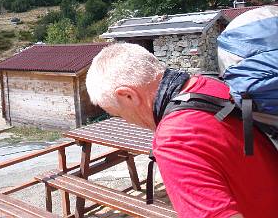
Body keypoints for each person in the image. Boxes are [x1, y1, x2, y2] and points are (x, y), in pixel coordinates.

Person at [85, 43, 278, 218]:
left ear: (128, 95)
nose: (126, 121)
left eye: (118, 114)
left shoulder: (174, 142)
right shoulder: (208, 84)